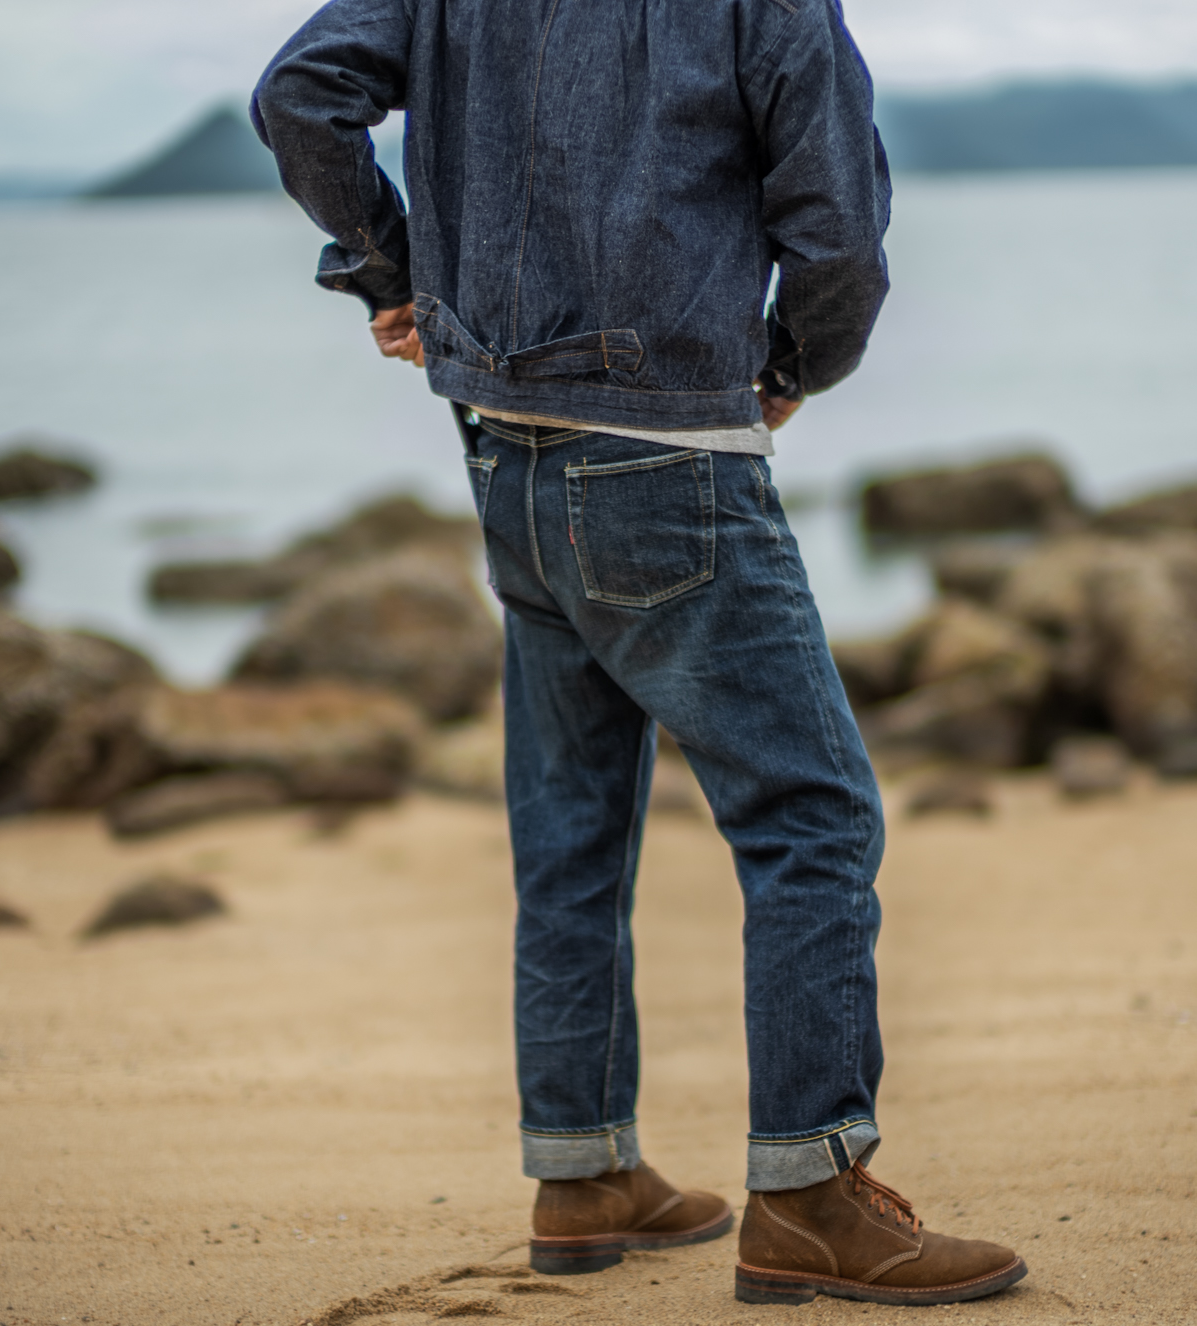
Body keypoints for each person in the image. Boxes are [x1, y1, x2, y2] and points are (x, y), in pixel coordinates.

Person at [252, 0, 1026, 1307]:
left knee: (570, 826)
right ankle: (810, 1196)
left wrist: (396, 274)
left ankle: (584, 1173)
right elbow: (839, 228)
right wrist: (795, 364)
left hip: (504, 446)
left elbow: (299, 95)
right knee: (813, 816)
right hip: (669, 452)